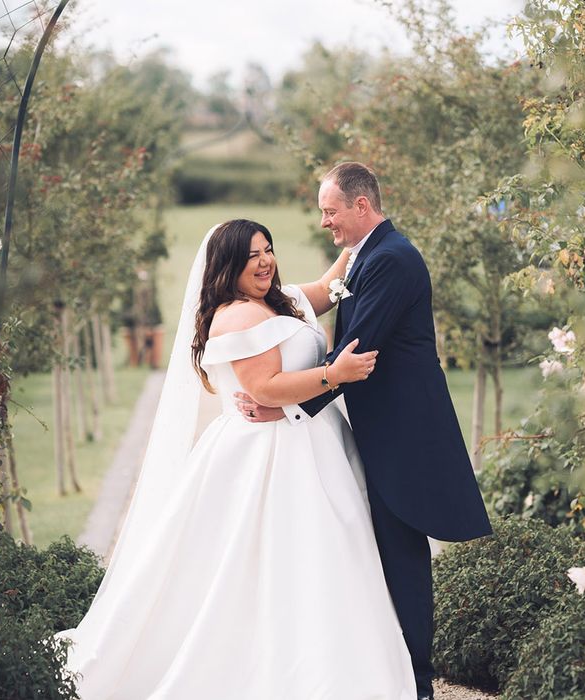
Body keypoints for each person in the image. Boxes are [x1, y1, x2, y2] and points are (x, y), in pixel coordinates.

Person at [56, 219, 417, 699]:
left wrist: (363, 235)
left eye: (267, 249)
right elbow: (264, 388)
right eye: (251, 256)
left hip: (315, 445)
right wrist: (335, 373)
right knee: (271, 560)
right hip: (266, 457)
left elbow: (332, 286)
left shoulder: (278, 301)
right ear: (227, 266)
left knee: (329, 557)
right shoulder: (234, 317)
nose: (264, 261)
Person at [236, 162, 493, 700]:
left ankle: (416, 683)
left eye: (331, 212)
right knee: (382, 552)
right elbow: (330, 297)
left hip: (406, 434)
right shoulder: (367, 255)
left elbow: (357, 353)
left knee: (402, 554)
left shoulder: (393, 259)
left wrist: (286, 408)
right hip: (381, 432)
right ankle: (395, 671)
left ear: (361, 206)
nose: (325, 223)